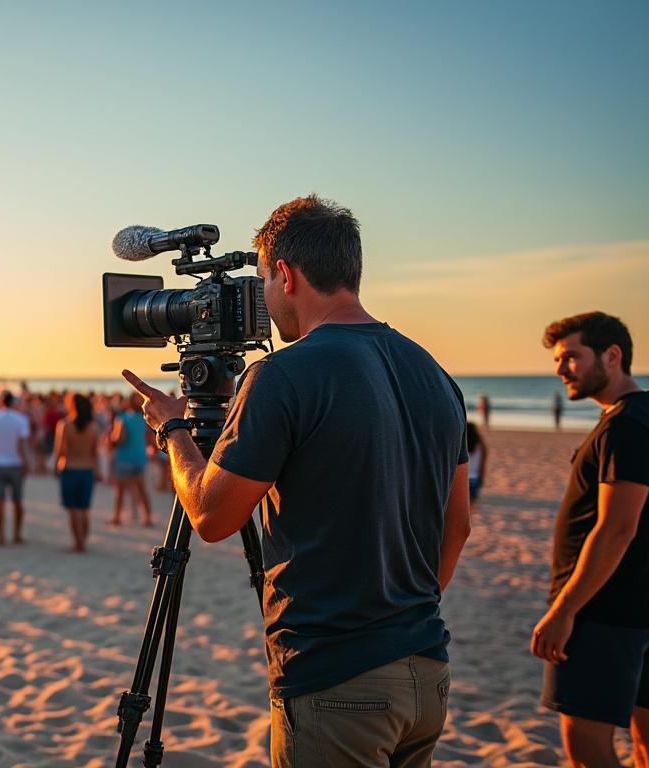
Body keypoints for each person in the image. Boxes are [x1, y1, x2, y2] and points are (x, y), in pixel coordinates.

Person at [123, 195, 471, 768]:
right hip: (425, 669)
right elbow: (457, 526)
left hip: (335, 680)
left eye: (261, 279)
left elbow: (211, 517)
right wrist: (401, 616)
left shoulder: (283, 374)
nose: (261, 298)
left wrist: (174, 433)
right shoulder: (433, 372)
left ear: (285, 274)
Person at [531, 311, 648, 767]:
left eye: (571, 357)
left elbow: (617, 528)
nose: (561, 370)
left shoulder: (625, 426)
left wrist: (565, 610)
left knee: (586, 752)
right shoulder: (636, 419)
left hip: (602, 614)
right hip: (635, 610)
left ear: (612, 355)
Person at [53, 392, 102, 552]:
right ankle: (84, 541)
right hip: (87, 469)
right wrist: (99, 470)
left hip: (70, 468)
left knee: (73, 509)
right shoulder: (93, 426)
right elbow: (95, 452)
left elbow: (60, 450)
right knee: (84, 509)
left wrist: (55, 466)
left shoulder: (65, 425)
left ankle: (78, 543)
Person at [0, 392, 31, 546]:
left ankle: (0, 536)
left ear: (0, 402)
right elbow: (21, 445)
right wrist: (26, 463)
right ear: (13, 402)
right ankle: (17, 534)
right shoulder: (21, 419)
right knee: (18, 501)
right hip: (15, 463)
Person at [109, 394, 154, 527]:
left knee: (120, 490)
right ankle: (147, 517)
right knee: (142, 489)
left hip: (124, 457)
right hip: (140, 457)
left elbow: (119, 438)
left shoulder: (122, 418)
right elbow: (149, 439)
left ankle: (117, 517)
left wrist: (110, 441)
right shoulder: (144, 419)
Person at [465, 422, 487, 505]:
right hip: (474, 478)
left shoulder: (461, 446)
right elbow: (482, 466)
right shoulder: (481, 447)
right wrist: (481, 479)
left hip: (463, 478)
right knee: (471, 506)